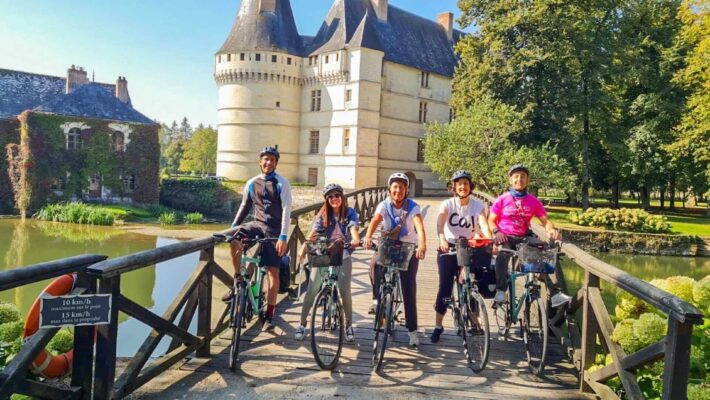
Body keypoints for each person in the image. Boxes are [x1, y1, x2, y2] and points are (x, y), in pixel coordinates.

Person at [225, 146, 292, 332]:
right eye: (265, 159)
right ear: (260, 161)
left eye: (272, 159)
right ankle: (238, 279)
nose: (268, 162)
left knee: (272, 272)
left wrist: (283, 237)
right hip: (257, 224)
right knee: (234, 240)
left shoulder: (282, 183)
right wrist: (232, 229)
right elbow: (244, 206)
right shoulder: (252, 183)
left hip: (274, 229)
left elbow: (287, 210)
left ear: (276, 163)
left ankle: (269, 315)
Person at [489, 164, 571, 308]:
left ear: (527, 180)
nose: (519, 179)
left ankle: (555, 293)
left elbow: (546, 221)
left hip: (523, 237)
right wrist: (497, 232)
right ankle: (501, 290)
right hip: (506, 237)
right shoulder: (502, 199)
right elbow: (491, 220)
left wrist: (551, 230)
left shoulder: (533, 201)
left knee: (546, 252)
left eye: (523, 176)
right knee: (502, 254)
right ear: (510, 180)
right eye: (516, 176)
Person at [364, 173, 427, 347]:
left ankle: (412, 331)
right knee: (374, 264)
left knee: (408, 288)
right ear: (390, 189)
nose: (398, 190)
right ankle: (377, 300)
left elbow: (420, 227)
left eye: (401, 187)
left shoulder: (413, 206)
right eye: (395, 187)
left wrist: (422, 244)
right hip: (388, 245)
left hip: (408, 248)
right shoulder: (384, 204)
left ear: (406, 190)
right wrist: (368, 237)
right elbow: (375, 220)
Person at [431, 170, 492, 343]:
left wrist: (489, 240)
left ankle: (474, 320)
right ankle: (438, 325)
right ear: (454, 187)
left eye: (465, 184)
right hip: (449, 247)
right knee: (445, 287)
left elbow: (484, 225)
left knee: (471, 283)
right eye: (459, 184)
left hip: (469, 247)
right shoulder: (447, 204)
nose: (463, 187)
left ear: (470, 186)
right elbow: (441, 221)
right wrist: (441, 238)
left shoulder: (478, 206)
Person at [295, 184, 360, 342]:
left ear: (342, 197)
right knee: (312, 289)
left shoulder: (350, 213)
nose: (334, 199)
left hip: (342, 251)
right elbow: (313, 233)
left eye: (337, 195)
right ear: (326, 200)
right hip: (323, 251)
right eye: (330, 197)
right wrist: (303, 247)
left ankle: (349, 326)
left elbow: (353, 229)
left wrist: (356, 239)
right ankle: (302, 324)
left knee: (345, 290)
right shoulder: (323, 214)